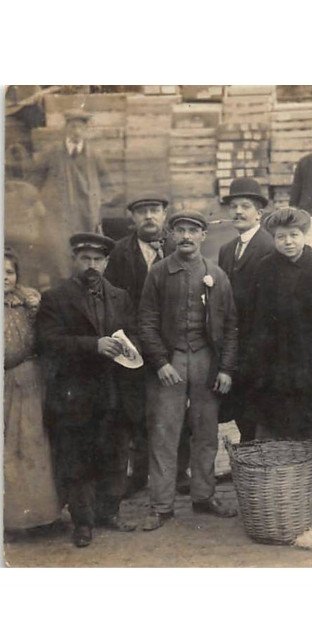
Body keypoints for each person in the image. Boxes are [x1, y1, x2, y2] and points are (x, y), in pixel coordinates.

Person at [36, 233, 140, 547]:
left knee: (115, 453)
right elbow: (47, 342)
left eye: (97, 259)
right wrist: (92, 345)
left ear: (107, 262)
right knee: (77, 457)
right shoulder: (56, 298)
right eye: (85, 259)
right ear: (75, 260)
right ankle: (83, 523)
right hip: (75, 392)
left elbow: (132, 333)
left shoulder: (120, 296)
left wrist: (129, 348)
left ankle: (109, 512)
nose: (91, 265)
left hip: (113, 390)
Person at [138, 210, 238, 530]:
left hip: (206, 360)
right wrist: (160, 362)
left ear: (202, 236)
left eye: (192, 231)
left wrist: (225, 368)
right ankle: (161, 505)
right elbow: (147, 323)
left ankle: (203, 496)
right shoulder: (157, 273)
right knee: (164, 434)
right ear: (170, 235)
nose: (185, 236)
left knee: (206, 431)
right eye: (179, 230)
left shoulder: (216, 275)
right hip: (171, 360)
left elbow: (232, 326)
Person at [104, 192, 187, 496]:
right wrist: (131, 342)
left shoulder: (179, 246)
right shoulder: (119, 254)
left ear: (165, 214)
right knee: (137, 411)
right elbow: (113, 301)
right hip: (135, 344)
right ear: (132, 219)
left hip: (175, 343)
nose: (149, 217)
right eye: (142, 212)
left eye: (155, 210)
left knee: (179, 409)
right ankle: (138, 474)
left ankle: (180, 473)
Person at [245, 207, 312, 441]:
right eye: (281, 237)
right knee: (277, 416)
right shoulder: (265, 268)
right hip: (276, 359)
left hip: (310, 356)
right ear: (273, 238)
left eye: (294, 235)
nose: (288, 242)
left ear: (304, 235)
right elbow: (258, 317)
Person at [3, 247, 61, 536]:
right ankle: (10, 519)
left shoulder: (26, 302)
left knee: (34, 444)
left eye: (9, 273)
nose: (3, 279)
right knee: (7, 448)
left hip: (30, 379)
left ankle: (41, 515)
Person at [217, 177, 275, 442]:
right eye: (234, 206)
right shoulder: (227, 250)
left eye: (246, 206)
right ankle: (249, 456)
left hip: (260, 343)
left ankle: (258, 458)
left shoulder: (268, 246)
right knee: (240, 405)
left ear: (259, 213)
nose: (238, 211)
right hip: (235, 342)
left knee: (259, 405)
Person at [27, 109, 114, 279]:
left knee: (85, 257)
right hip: (58, 218)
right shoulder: (52, 152)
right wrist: (37, 201)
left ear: (85, 131)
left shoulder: (93, 155)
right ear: (66, 128)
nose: (76, 131)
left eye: (80, 127)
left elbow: (109, 186)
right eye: (73, 126)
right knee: (59, 259)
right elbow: (33, 180)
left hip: (86, 218)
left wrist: (97, 203)